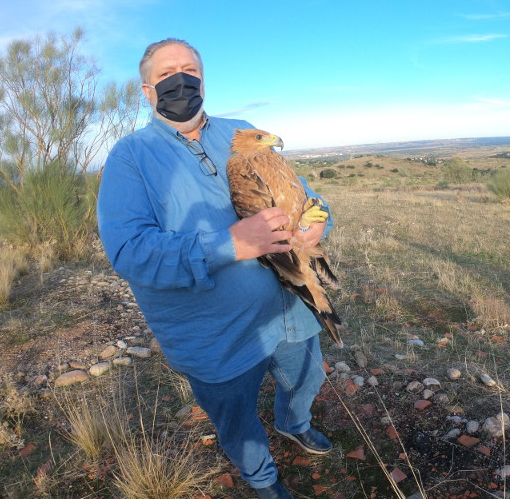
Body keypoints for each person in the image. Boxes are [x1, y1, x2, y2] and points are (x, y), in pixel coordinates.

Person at [97, 39, 333, 499]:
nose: (180, 79)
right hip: (214, 331)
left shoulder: (242, 132)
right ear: (148, 91)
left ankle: (293, 422)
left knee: (308, 377)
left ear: (203, 80)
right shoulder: (130, 157)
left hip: (288, 305)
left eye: (190, 70)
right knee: (237, 418)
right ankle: (263, 479)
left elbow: (302, 191)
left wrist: (316, 220)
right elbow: (129, 251)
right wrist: (230, 245)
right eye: (167, 73)